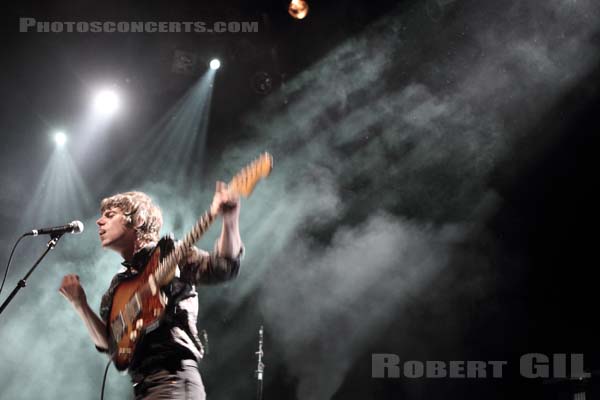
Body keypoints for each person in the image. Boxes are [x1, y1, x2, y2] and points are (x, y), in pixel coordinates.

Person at [59, 182, 243, 399]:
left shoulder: (167, 253)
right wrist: (80, 305)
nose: (99, 221)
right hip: (144, 388)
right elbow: (111, 345)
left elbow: (222, 268)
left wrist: (229, 220)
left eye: (110, 215)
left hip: (172, 379)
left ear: (138, 220)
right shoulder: (118, 287)